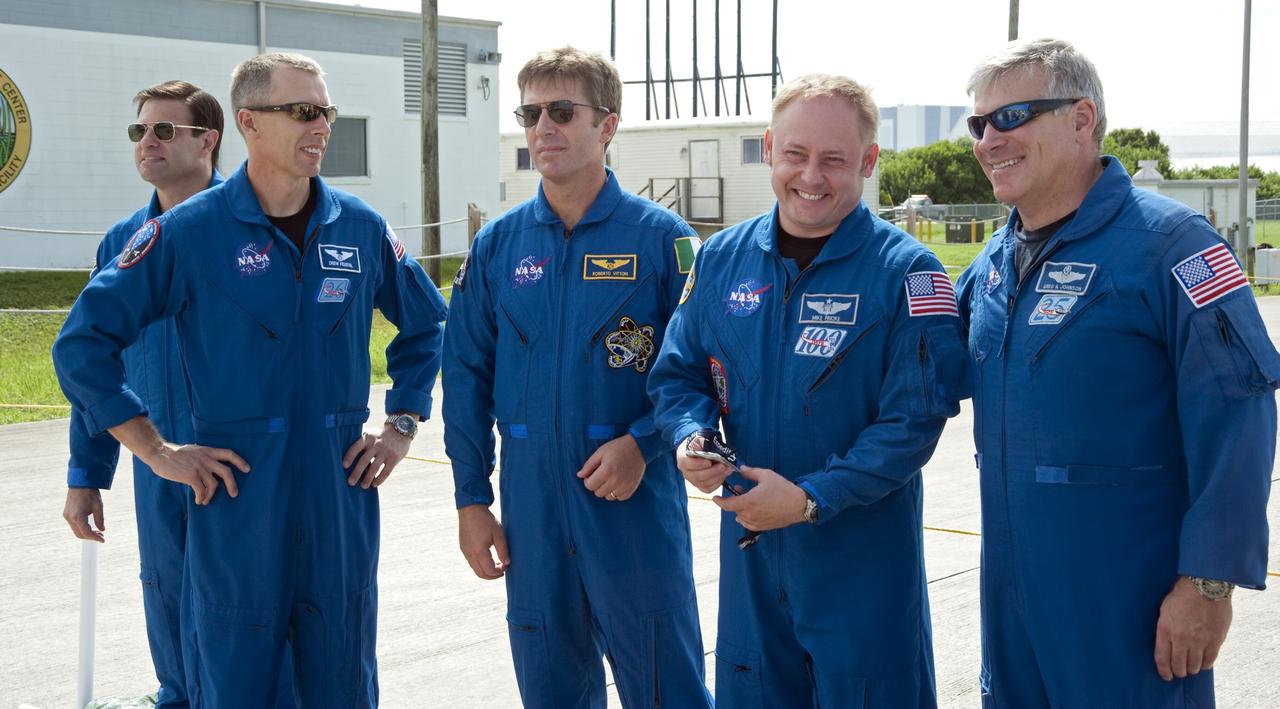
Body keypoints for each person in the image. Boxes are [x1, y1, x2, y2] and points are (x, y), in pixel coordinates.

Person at [52, 52, 447, 706]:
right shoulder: (186, 234)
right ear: (248, 124)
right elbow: (84, 344)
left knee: (343, 683)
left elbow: (427, 325)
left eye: (326, 111)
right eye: (302, 111)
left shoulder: (359, 227)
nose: (321, 125)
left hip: (338, 497)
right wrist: (153, 451)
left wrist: (402, 424)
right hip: (232, 500)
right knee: (228, 682)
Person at [955, 38, 1279, 708]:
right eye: (978, 124)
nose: (989, 140)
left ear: (1082, 119)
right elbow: (913, 368)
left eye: (1011, 117)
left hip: (1129, 605)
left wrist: (1208, 582)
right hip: (1011, 605)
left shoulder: (1173, 246)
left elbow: (1238, 415)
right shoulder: (990, 264)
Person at [648, 73, 969, 708]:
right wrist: (691, 436)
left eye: (834, 160)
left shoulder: (908, 273)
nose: (811, 177)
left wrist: (809, 500)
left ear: (869, 162)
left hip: (860, 561)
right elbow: (679, 372)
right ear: (770, 148)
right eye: (796, 155)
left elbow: (912, 423)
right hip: (751, 557)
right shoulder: (722, 259)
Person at [442, 46, 712, 708]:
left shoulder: (664, 241)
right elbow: (466, 375)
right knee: (550, 685)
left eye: (562, 111)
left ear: (608, 125)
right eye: (530, 112)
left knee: (666, 685)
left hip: (632, 506)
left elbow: (707, 368)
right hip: (532, 507)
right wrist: (472, 499)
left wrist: (643, 443)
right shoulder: (498, 246)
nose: (543, 128)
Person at [60, 80, 299, 708]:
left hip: (244, 467)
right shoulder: (121, 243)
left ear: (209, 140)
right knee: (165, 592)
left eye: (165, 130)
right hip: (159, 456)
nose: (148, 142)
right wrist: (88, 473)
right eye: (140, 130)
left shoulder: (257, 231)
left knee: (249, 612)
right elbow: (94, 366)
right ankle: (178, 696)